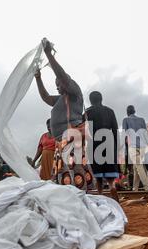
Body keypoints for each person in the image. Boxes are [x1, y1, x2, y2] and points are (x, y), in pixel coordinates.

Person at [34, 39, 93, 190]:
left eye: (59, 85)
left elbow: (61, 75)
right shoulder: (61, 98)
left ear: (65, 81)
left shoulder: (74, 92)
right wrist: (38, 78)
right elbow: (46, 97)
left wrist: (49, 55)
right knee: (65, 176)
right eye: (56, 86)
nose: (58, 88)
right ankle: (71, 202)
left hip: (72, 139)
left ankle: (80, 202)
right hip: (61, 142)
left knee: (75, 175)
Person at [85, 91, 119, 202]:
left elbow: (84, 130)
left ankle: (100, 195)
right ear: (101, 99)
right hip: (108, 141)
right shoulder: (110, 111)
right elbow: (115, 129)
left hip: (94, 143)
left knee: (98, 174)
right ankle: (112, 187)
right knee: (109, 171)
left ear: (90, 100)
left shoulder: (87, 112)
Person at [122, 105, 148, 191]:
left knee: (139, 166)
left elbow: (124, 135)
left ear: (127, 112)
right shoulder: (141, 120)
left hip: (133, 146)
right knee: (136, 168)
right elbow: (146, 133)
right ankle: (135, 189)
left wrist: (124, 150)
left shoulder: (126, 120)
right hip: (143, 146)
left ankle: (147, 187)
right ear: (134, 111)